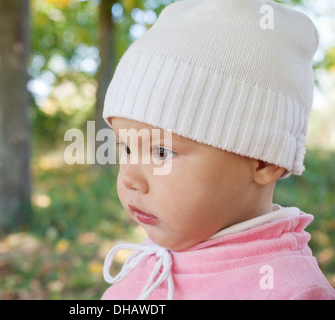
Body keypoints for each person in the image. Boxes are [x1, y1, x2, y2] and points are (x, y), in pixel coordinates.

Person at [100, 0, 335, 300]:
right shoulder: (150, 260)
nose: (130, 178)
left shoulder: (289, 290)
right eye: (127, 148)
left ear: (263, 160)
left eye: (162, 153)